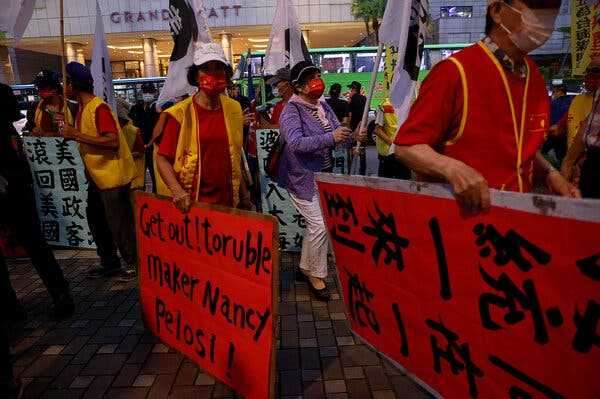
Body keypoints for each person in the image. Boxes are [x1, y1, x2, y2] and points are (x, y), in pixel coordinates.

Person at [393, 0, 578, 213]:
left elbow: (518, 148)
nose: (545, 19)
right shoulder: (454, 72)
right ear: (497, 11)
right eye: (536, 7)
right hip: (461, 223)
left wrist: (550, 174)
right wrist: (452, 169)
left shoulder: (534, 77)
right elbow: (406, 147)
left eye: (551, 10)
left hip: (516, 223)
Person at [277, 60, 364, 301]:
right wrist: (330, 138)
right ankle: (316, 275)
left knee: (317, 225)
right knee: (319, 225)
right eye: (310, 78)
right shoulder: (291, 111)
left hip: (322, 175)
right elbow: (296, 143)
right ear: (299, 86)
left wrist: (353, 135)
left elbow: (339, 135)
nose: (317, 81)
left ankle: (305, 267)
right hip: (300, 178)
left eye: (317, 74)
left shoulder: (323, 106)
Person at [0, 83, 74, 320]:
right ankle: (14, 305)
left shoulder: (8, 129)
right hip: (15, 193)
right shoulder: (12, 125)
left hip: (17, 194)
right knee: (37, 248)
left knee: (37, 247)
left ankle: (58, 295)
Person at [59, 62, 137, 278]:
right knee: (98, 221)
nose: (63, 86)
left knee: (119, 224)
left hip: (112, 179)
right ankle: (110, 261)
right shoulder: (83, 108)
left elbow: (112, 141)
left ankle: (133, 264)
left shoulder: (98, 107)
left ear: (74, 84)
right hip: (97, 178)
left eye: (66, 81)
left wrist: (76, 135)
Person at [156, 42, 252, 212]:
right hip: (193, 205)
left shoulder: (234, 108)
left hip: (229, 203)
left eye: (218, 68)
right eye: (206, 69)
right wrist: (177, 192)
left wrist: (244, 193)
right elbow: (162, 159)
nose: (213, 74)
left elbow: (234, 156)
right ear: (195, 76)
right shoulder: (179, 113)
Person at [561, 76, 600, 198]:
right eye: (588, 71)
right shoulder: (579, 100)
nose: (588, 75)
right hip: (591, 163)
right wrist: (569, 160)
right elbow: (591, 124)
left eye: (595, 71)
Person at [25, 69, 75, 136]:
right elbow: (29, 124)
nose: (40, 93)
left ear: (55, 88)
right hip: (44, 145)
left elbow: (78, 131)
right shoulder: (35, 106)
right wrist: (34, 129)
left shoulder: (72, 107)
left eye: (43, 89)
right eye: (38, 89)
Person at [129, 83, 159, 192]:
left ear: (154, 93)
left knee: (155, 175)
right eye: (145, 92)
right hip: (139, 147)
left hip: (153, 147)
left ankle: (157, 198)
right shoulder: (136, 108)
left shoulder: (157, 108)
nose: (147, 95)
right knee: (139, 178)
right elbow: (132, 126)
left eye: (149, 92)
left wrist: (150, 143)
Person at [374, 99, 411, 179]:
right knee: (386, 186)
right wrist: (394, 145)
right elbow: (378, 130)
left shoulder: (409, 103)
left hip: (403, 153)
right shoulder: (385, 105)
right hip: (388, 154)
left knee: (404, 185)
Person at [117, 98, 146, 190]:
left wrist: (125, 156)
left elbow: (141, 152)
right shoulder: (118, 129)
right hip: (122, 176)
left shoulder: (132, 130)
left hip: (133, 177)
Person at [542, 81, 573, 165]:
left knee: (542, 153)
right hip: (565, 135)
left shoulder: (554, 103)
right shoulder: (572, 102)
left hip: (552, 133)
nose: (553, 94)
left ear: (559, 91)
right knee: (562, 158)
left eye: (554, 91)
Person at [347, 81, 368, 175]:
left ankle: (350, 170)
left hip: (353, 128)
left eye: (351, 88)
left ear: (353, 89)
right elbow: (366, 113)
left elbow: (349, 114)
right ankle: (362, 171)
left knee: (351, 149)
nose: (350, 90)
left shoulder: (351, 99)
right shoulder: (364, 98)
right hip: (362, 127)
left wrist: (349, 127)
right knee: (362, 150)